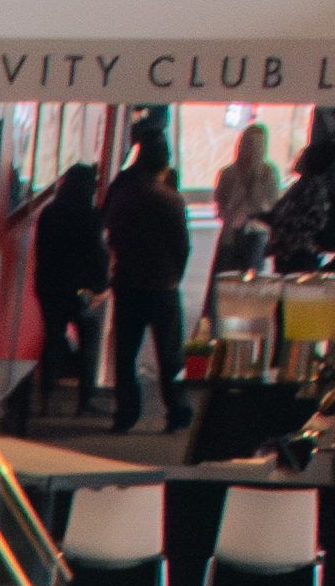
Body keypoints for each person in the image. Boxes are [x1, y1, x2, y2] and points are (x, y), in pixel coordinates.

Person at [100, 134, 193, 433]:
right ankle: (177, 411)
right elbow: (183, 246)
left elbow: (110, 229)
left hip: (128, 281)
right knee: (170, 356)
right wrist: (174, 276)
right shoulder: (172, 200)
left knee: (125, 353)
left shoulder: (123, 193)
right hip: (163, 286)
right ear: (164, 163)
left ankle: (126, 413)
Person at [26, 165, 106, 428]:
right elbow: (97, 254)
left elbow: (42, 251)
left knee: (53, 338)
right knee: (90, 339)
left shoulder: (49, 212)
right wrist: (99, 286)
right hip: (78, 290)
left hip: (49, 286)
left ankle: (47, 398)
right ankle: (85, 400)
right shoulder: (89, 215)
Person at [210, 118, 281, 290]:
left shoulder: (268, 173)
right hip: (230, 234)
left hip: (255, 236)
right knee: (223, 284)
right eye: (248, 143)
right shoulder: (228, 173)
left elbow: (268, 207)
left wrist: (254, 176)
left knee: (249, 285)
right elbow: (220, 206)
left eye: (257, 145)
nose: (252, 149)